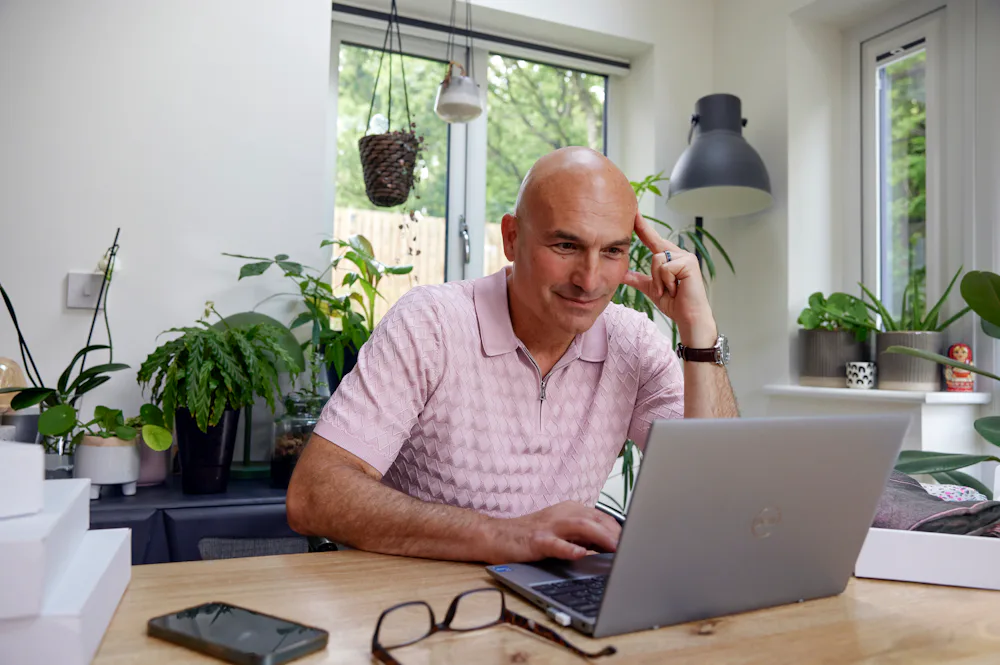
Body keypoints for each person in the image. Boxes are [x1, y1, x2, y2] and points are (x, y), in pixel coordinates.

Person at [287, 147, 738, 564]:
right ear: (511, 237)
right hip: (417, 609)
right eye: (566, 246)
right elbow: (315, 495)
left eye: (613, 251)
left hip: (550, 605)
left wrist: (699, 331)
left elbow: (716, 494)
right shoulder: (432, 324)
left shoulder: (633, 341)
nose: (590, 279)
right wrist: (505, 536)